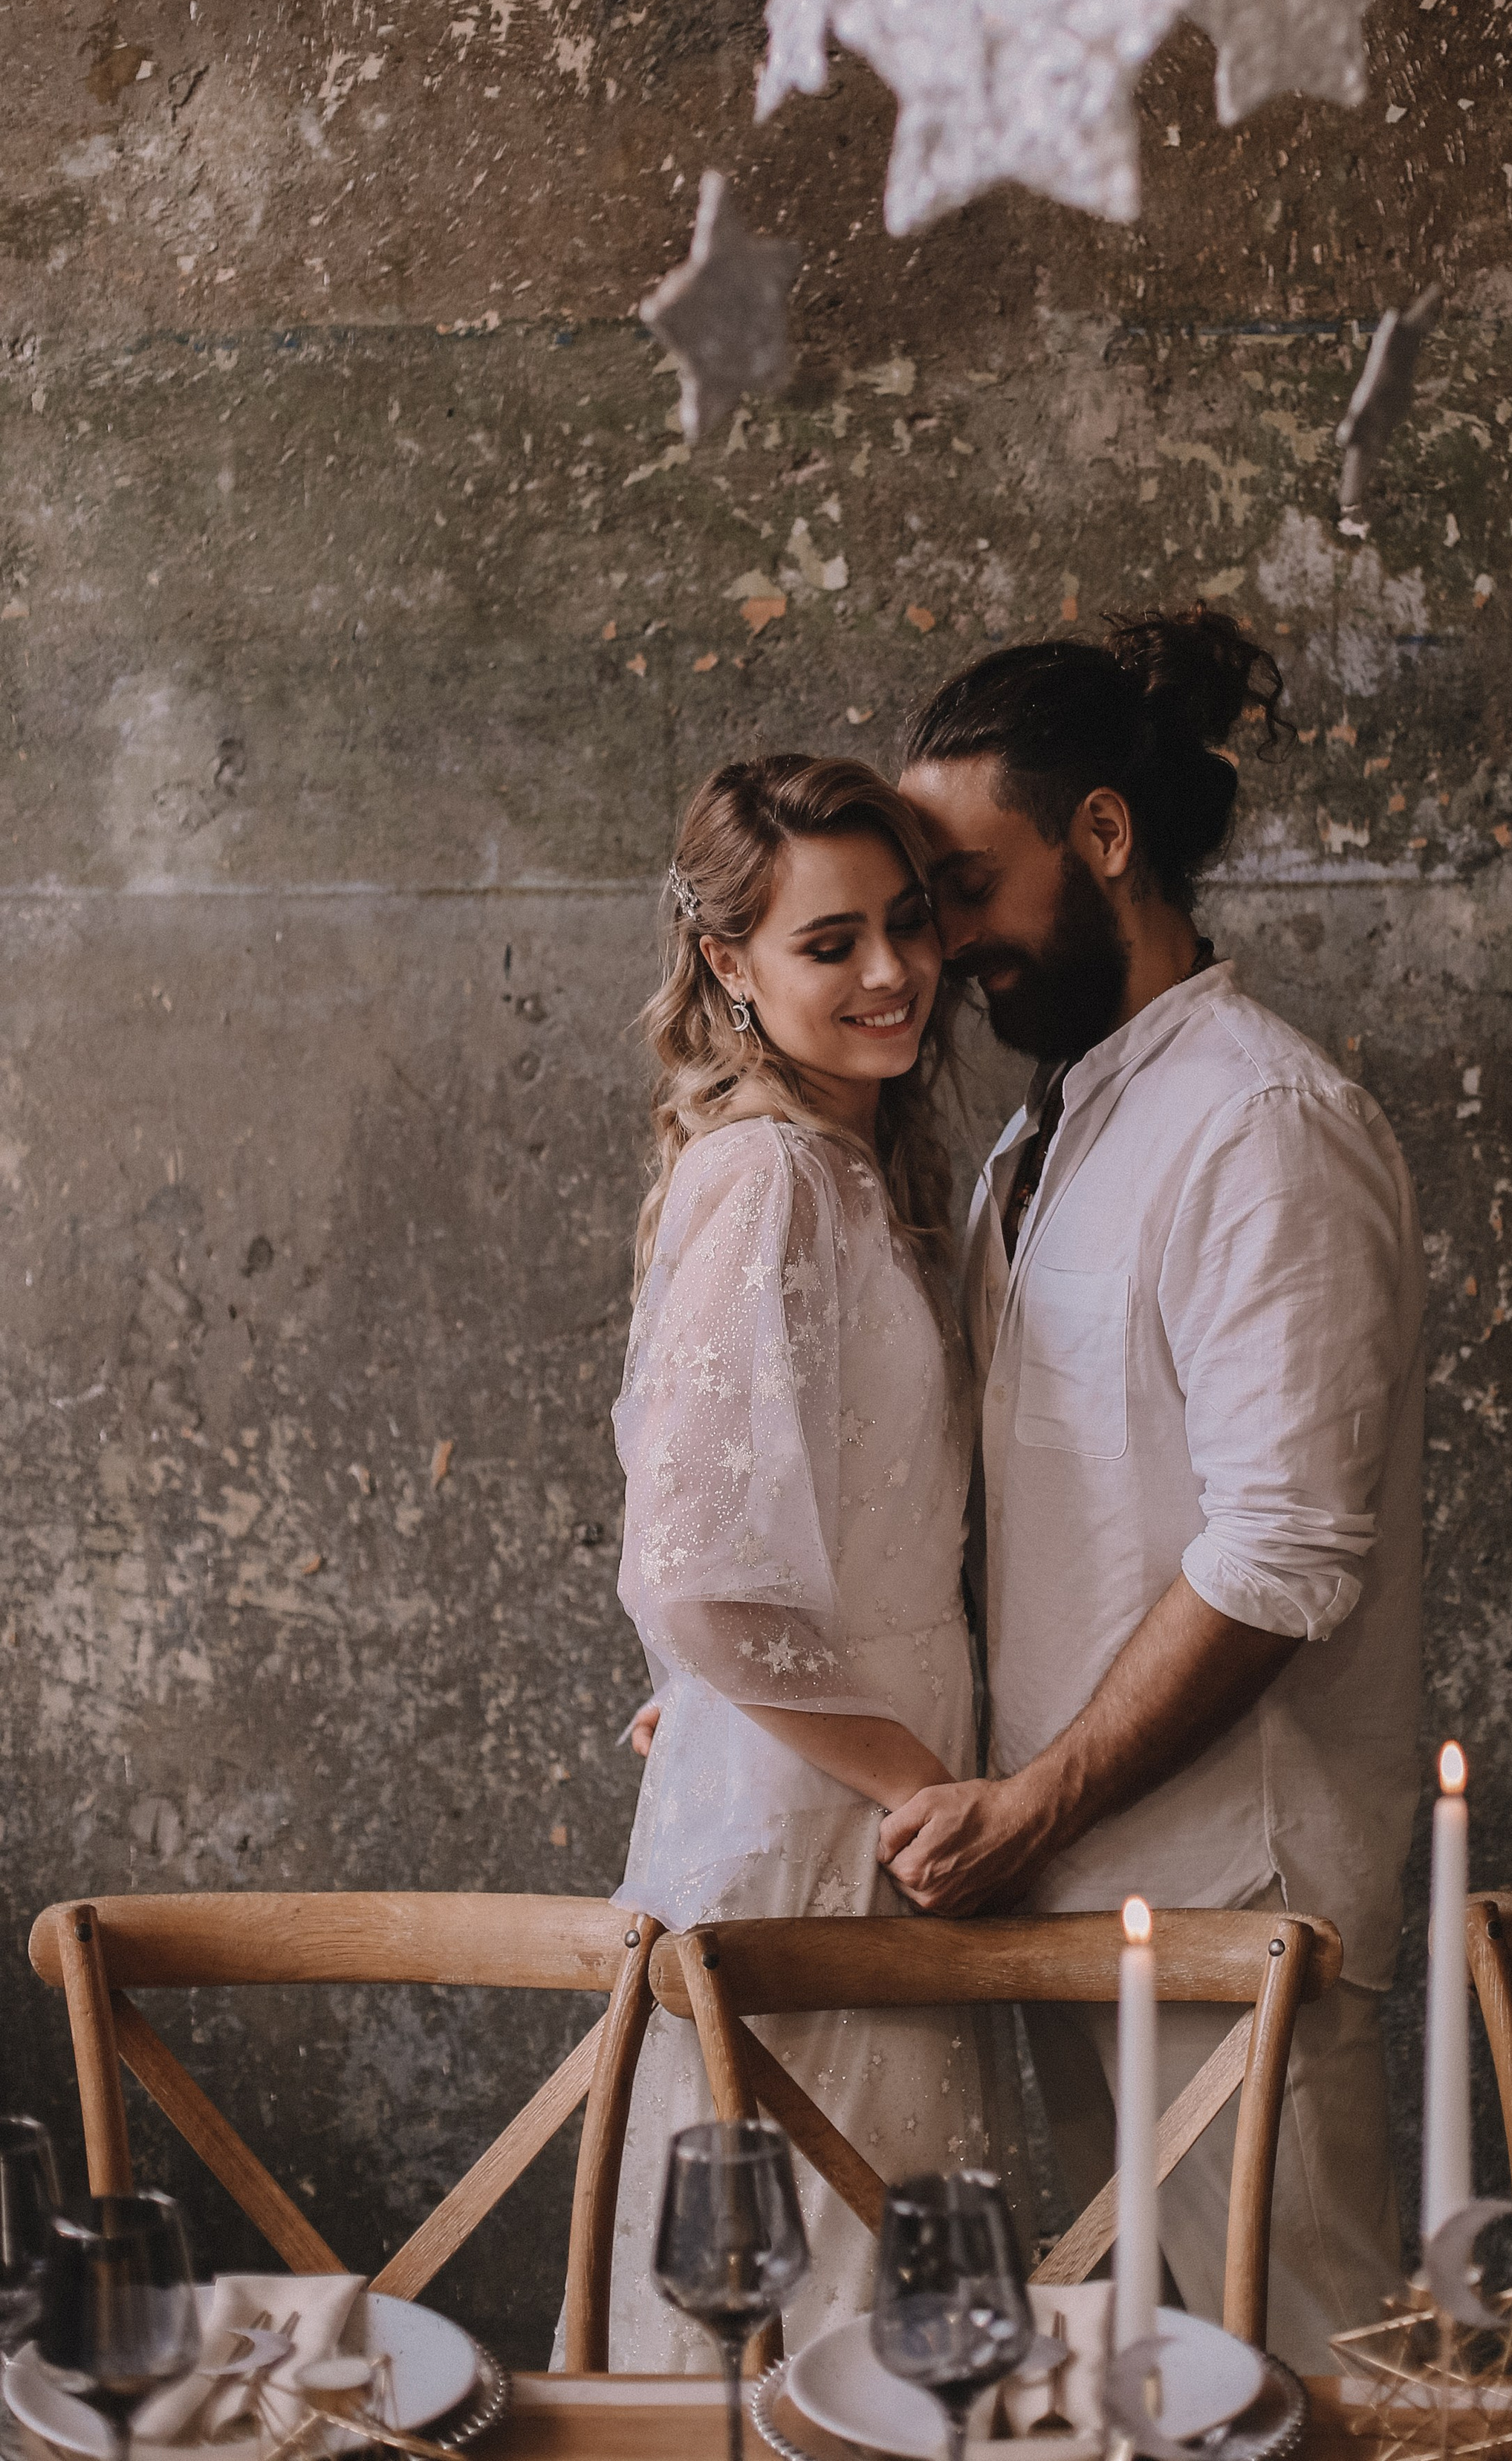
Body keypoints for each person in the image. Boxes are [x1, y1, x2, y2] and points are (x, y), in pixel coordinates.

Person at [883, 608, 1427, 2373]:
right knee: (1135, 2398)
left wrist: (1037, 1801)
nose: (935, 945)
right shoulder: (1041, 1142)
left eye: (963, 886)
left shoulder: (1260, 1126)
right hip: (1063, 1897)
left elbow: (1280, 1555)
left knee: (1326, 2386)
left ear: (1102, 838)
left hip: (1227, 1908)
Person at [584, 753, 1022, 2370]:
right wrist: (921, 1784)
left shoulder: (850, 1169)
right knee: (806, 2306)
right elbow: (697, 1571)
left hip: (833, 1764)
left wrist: (712, 1696)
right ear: (727, 963)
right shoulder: (761, 1174)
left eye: (906, 925)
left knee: (882, 2287)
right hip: (839, 1811)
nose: (894, 973)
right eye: (828, 943)